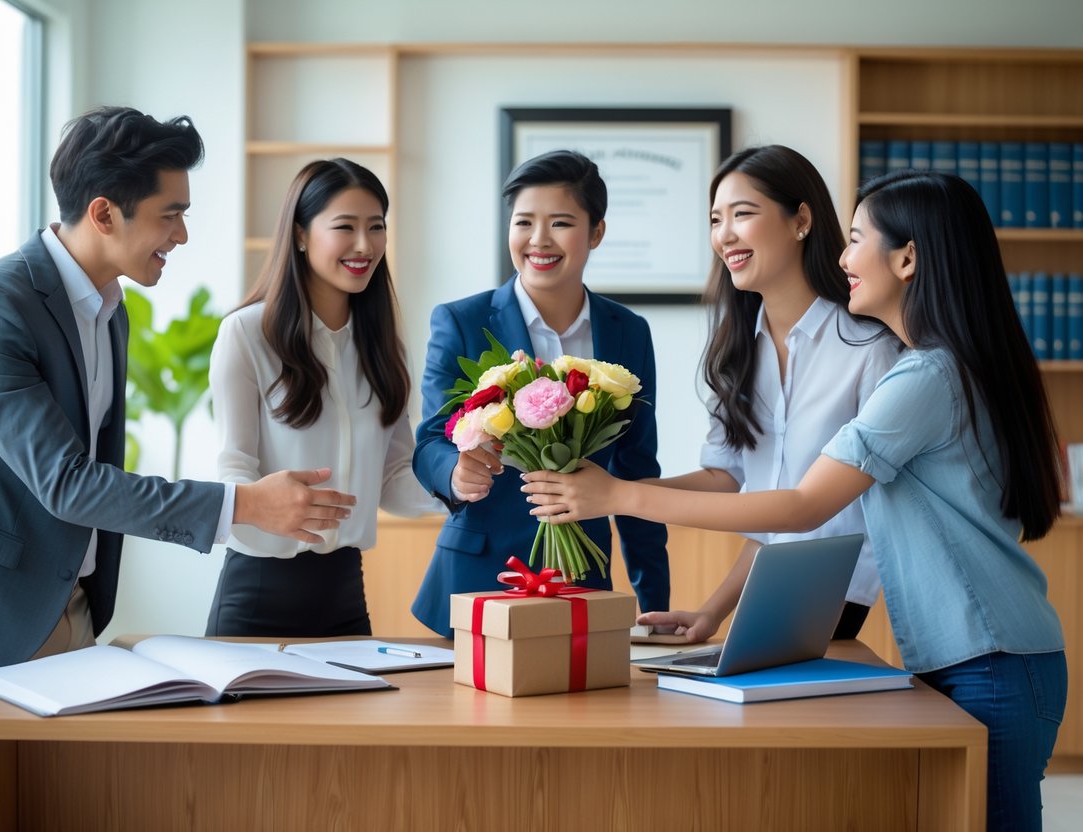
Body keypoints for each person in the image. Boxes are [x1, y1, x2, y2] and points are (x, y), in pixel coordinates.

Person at [525, 170, 1067, 831]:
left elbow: (803, 506)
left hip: (990, 657)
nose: (843, 258)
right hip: (975, 654)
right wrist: (705, 599)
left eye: (858, 238)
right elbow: (768, 493)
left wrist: (618, 495)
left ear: (906, 258)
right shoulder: (933, 366)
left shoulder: (919, 374)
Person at [0, 106, 356, 832]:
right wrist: (244, 506)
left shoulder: (110, 307)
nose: (182, 235)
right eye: (171, 215)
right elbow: (66, 483)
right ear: (103, 212)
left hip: (66, 621)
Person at [636, 145, 900, 645]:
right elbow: (735, 484)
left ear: (801, 220)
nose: (724, 235)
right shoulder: (737, 353)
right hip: (777, 589)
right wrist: (712, 613)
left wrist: (623, 496)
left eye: (742, 214)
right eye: (716, 219)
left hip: (839, 592)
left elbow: (804, 510)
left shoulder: (869, 349)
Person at [410, 149, 669, 637]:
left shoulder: (628, 332)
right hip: (476, 580)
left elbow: (637, 471)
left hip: (581, 578)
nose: (538, 240)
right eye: (523, 222)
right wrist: (456, 472)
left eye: (561, 223)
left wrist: (653, 602)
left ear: (596, 232)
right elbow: (428, 443)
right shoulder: (461, 321)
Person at [205, 158, 441, 637]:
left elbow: (394, 476)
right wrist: (272, 505)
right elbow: (233, 468)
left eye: (376, 227)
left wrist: (459, 486)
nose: (365, 245)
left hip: (345, 593)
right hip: (256, 594)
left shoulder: (384, 343)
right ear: (300, 234)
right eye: (345, 227)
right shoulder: (246, 333)